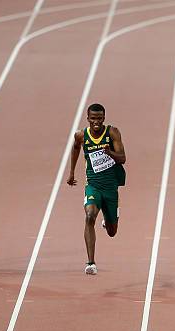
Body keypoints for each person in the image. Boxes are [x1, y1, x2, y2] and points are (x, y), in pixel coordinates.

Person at [67, 103, 126, 275]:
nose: (96, 122)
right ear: (87, 119)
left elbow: (123, 158)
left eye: (99, 118)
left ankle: (110, 218)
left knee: (112, 231)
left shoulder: (112, 132)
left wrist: (110, 153)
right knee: (89, 216)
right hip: (93, 185)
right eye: (93, 119)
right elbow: (76, 149)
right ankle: (91, 262)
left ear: (104, 118)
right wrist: (71, 173)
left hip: (110, 188)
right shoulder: (81, 135)